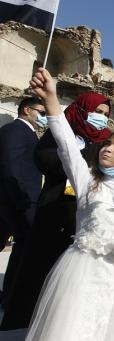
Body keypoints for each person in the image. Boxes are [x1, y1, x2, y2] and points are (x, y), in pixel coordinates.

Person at [22, 68, 114, 341]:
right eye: (107, 143)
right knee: (73, 331)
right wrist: (52, 99)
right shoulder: (87, 180)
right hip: (82, 270)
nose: (108, 148)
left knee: (109, 333)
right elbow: (67, 144)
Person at [0, 90, 113, 330]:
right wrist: (83, 155)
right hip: (55, 210)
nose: (101, 117)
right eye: (97, 111)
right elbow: (44, 159)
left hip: (85, 218)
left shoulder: (106, 140)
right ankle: (22, 327)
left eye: (105, 114)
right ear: (83, 109)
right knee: (38, 272)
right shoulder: (61, 131)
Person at [0, 97, 44, 305]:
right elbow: (11, 166)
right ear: (27, 110)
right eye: (41, 112)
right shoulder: (17, 131)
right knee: (23, 249)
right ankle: (10, 297)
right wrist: (20, 198)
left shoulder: (26, 132)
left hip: (15, 200)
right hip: (17, 201)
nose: (43, 117)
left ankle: (9, 295)